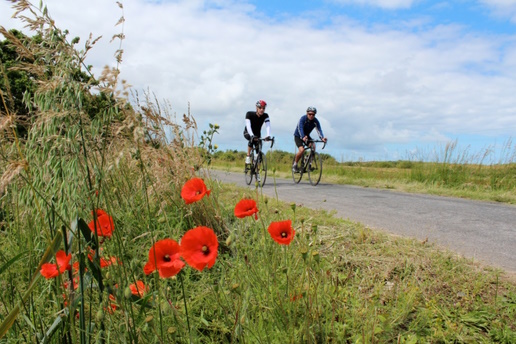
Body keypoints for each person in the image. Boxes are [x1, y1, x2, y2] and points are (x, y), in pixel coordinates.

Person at [292, 106, 328, 172]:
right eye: (310, 114)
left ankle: (309, 164)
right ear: (307, 113)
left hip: (306, 136)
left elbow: (319, 130)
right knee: (302, 150)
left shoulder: (315, 121)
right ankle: (295, 164)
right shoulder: (303, 119)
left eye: (313, 114)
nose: (311, 116)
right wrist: (303, 136)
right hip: (298, 136)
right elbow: (300, 128)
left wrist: (322, 138)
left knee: (313, 146)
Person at [243, 100, 272, 164]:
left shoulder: (265, 116)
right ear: (256, 108)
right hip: (248, 132)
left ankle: (257, 171)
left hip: (257, 134)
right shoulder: (249, 114)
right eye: (260, 108)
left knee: (259, 155)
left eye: (263, 108)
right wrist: (252, 135)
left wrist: (268, 135)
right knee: (251, 140)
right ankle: (248, 156)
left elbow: (268, 126)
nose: (262, 110)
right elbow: (248, 126)